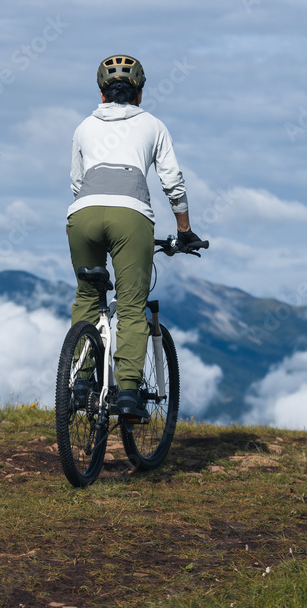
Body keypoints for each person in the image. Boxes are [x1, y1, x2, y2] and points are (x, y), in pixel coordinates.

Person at [67, 54, 201, 419]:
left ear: (101, 93)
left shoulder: (83, 127)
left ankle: (81, 382)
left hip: (83, 213)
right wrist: (184, 232)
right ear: (140, 94)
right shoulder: (154, 126)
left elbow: (77, 183)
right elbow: (173, 182)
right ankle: (127, 393)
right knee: (129, 304)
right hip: (131, 215)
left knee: (87, 294)